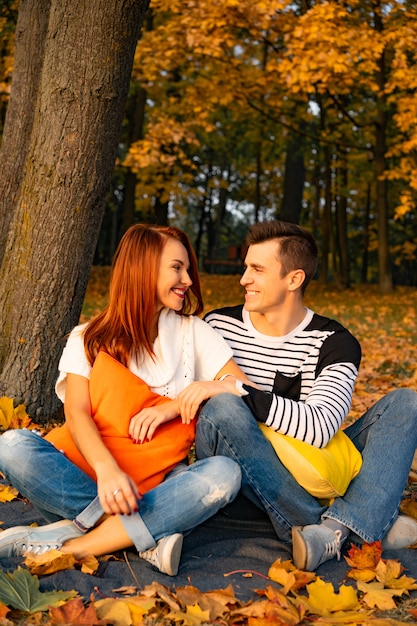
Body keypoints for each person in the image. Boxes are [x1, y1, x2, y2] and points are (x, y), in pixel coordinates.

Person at [0, 224, 253, 576]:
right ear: (143, 269)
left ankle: (79, 544)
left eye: (187, 270)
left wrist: (179, 402)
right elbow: (76, 413)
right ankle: (144, 536)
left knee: (224, 473)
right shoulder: (87, 337)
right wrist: (107, 472)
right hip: (86, 474)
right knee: (12, 445)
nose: (188, 280)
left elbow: (242, 386)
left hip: (155, 485)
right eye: (177, 268)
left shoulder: (193, 332)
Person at [188, 219, 417, 572]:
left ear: (294, 279)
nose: (243, 279)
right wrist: (229, 396)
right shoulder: (217, 326)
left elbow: (321, 427)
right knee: (223, 411)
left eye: (257, 270)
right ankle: (356, 524)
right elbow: (209, 421)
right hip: (245, 474)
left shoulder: (334, 341)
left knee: (406, 403)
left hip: (317, 468)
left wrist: (234, 387)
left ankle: (333, 530)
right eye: (246, 267)